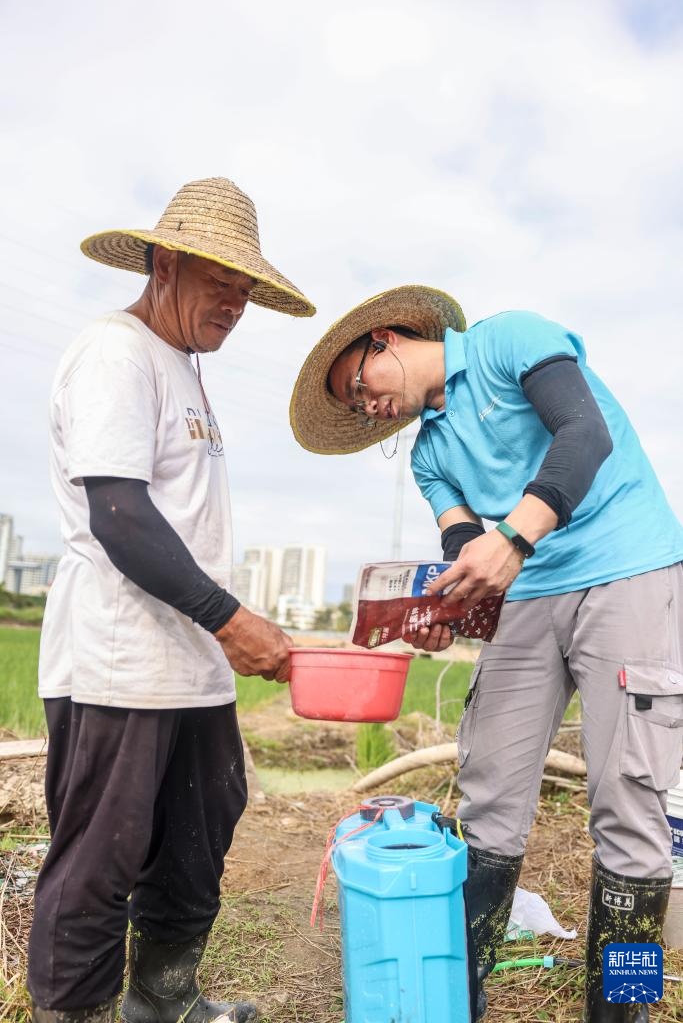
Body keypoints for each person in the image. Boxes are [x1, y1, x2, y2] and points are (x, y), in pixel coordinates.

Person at [289, 285, 683, 1023]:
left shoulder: (511, 339)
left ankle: (622, 1010)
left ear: (386, 338)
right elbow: (462, 547)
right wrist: (448, 609)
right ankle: (453, 998)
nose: (362, 406)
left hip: (627, 567)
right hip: (527, 592)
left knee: (629, 803)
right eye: (350, 407)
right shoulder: (429, 457)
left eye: (357, 386)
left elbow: (582, 435)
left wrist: (515, 538)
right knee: (491, 791)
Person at [28, 177, 315, 1023]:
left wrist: (227, 624)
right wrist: (231, 619)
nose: (234, 302)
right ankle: (75, 1013)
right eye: (218, 280)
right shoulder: (115, 352)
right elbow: (118, 515)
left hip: (190, 659)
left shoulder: (182, 364)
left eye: (245, 289)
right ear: (162, 264)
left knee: (199, 835)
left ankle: (164, 998)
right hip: (120, 659)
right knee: (99, 861)